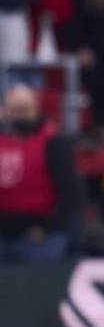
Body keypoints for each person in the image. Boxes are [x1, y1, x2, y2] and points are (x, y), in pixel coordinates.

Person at [0, 84, 82, 261]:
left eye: (24, 109)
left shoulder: (54, 142)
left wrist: (48, 227)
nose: (18, 115)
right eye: (14, 110)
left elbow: (70, 191)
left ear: (35, 109)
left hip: (40, 236)